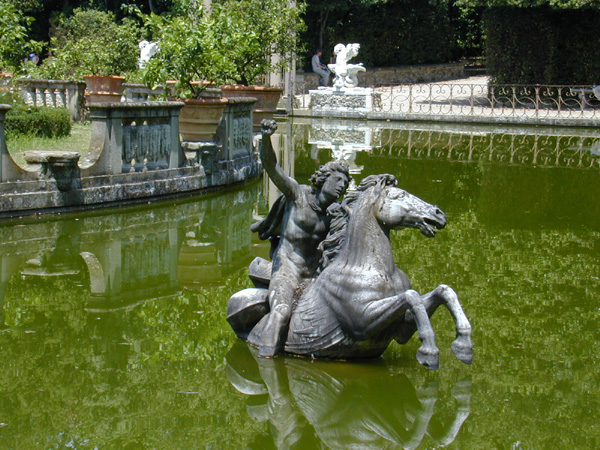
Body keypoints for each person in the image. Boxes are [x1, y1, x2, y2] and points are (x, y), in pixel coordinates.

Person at [248, 120, 351, 357]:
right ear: (324, 178)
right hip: (288, 271)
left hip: (316, 278)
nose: (341, 187)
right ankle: (267, 363)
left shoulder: (335, 215)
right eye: (338, 180)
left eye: (345, 184)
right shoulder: (298, 195)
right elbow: (272, 167)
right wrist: (265, 138)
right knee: (282, 313)